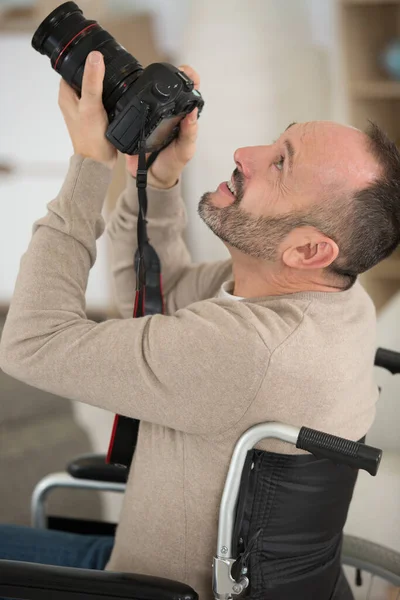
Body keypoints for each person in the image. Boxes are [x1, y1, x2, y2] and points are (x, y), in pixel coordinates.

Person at [0, 50, 399, 599]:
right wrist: (156, 182)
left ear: (307, 248)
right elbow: (154, 300)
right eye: (277, 140)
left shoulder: (247, 351)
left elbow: (30, 340)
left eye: (280, 163)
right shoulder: (332, 296)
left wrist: (90, 166)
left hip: (135, 589)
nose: (244, 153)